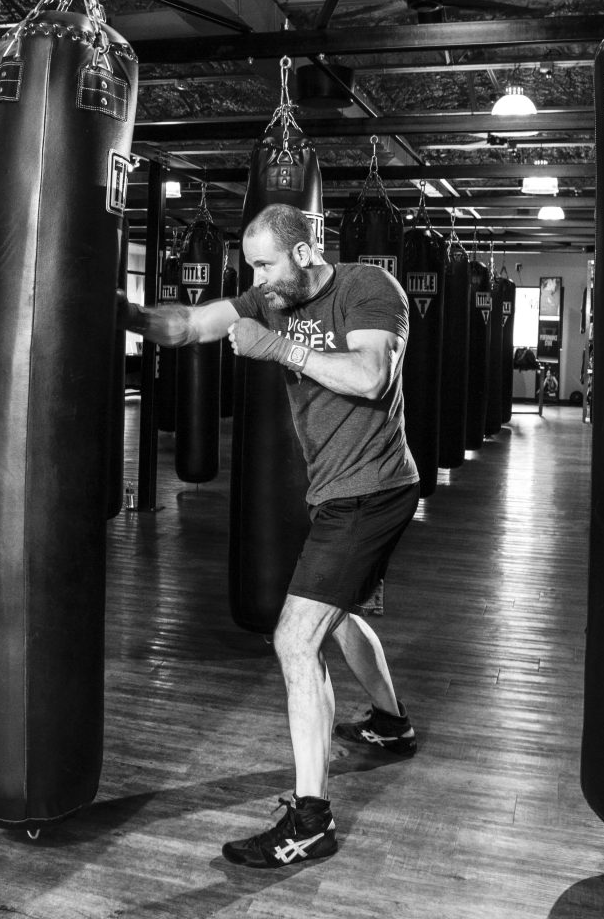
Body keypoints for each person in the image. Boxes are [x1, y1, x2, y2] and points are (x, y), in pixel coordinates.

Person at [118, 203, 420, 868]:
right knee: (339, 621)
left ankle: (311, 822)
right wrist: (132, 318)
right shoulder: (267, 294)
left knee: (293, 639)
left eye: (265, 263)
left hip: (371, 492)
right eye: (249, 265)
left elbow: (372, 377)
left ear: (308, 250)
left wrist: (281, 345)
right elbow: (195, 323)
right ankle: (392, 724)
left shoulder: (369, 288)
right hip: (340, 490)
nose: (257, 278)